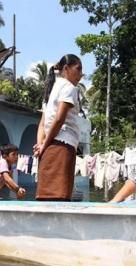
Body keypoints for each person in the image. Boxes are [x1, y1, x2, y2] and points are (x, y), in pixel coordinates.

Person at [34, 54, 83, 201]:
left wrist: (41, 145)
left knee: (46, 196)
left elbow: (42, 124)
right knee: (59, 196)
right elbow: (59, 119)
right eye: (78, 69)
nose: (80, 75)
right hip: (62, 145)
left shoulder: (51, 91)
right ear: (66, 68)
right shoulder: (69, 88)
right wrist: (44, 145)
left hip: (50, 147)